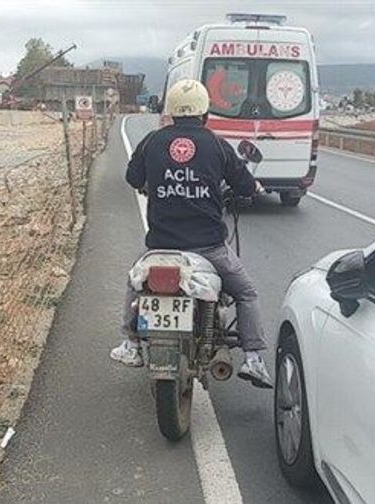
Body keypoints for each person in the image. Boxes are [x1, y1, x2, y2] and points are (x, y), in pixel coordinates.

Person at [110, 79, 273, 389]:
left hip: (161, 245)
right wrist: (249, 190)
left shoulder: (153, 141)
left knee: (135, 281)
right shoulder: (217, 145)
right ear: (204, 113)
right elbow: (244, 186)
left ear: (170, 111)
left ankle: (130, 344)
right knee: (246, 292)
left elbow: (133, 178)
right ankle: (253, 358)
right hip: (209, 246)